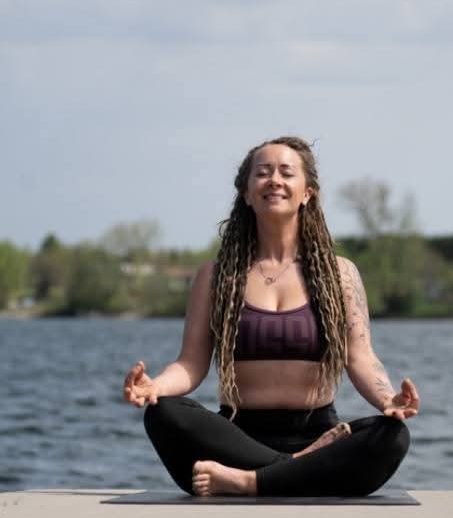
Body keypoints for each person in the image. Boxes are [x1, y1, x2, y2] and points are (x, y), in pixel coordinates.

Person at [122, 136, 420, 497]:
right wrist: (156, 387)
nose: (274, 180)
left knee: (391, 436)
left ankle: (249, 481)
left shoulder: (340, 274)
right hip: (234, 440)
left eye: (286, 172)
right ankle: (297, 469)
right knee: (163, 412)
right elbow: (191, 363)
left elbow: (360, 357)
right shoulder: (216, 276)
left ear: (307, 192)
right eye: (262, 173)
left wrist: (388, 399)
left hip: (316, 431)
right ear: (246, 193)